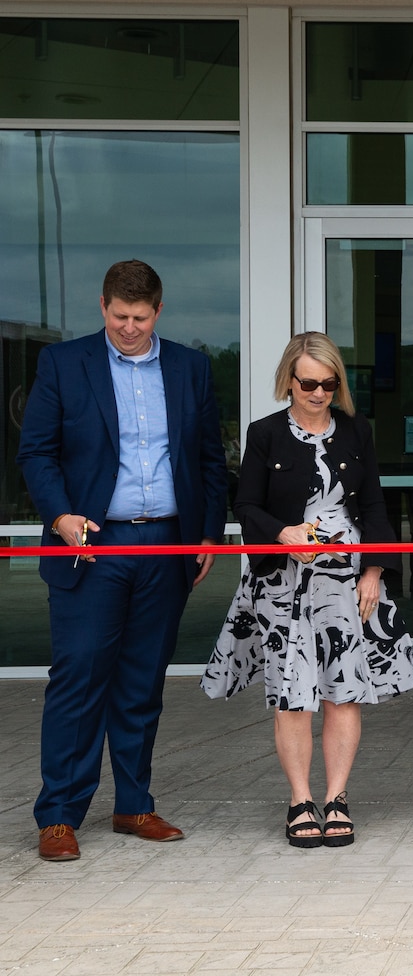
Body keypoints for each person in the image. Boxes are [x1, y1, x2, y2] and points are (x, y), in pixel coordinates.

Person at [18, 259, 227, 862]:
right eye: (118, 317)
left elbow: (209, 460)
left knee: (141, 682)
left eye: (139, 318)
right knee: (79, 679)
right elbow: (36, 453)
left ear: (158, 311)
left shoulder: (191, 367)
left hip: (166, 546)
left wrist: (208, 533)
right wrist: (59, 517)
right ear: (102, 306)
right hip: (90, 546)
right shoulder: (63, 362)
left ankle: (134, 804)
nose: (128, 328)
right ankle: (59, 815)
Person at [202, 333, 413, 847]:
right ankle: (301, 799)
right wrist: (282, 533)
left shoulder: (354, 430)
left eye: (328, 384)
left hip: (345, 579)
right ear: (289, 381)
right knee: (293, 695)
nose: (319, 393)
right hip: (281, 579)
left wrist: (375, 571)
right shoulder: (264, 434)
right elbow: (247, 507)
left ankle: (337, 798)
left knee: (344, 691)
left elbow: (373, 505)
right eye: (308, 383)